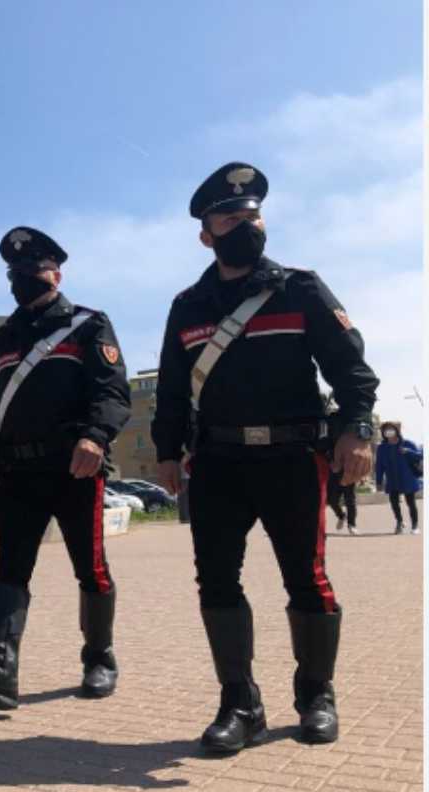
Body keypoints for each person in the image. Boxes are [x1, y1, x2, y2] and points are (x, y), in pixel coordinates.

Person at [152, 163, 378, 753]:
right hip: (219, 463)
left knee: (307, 578)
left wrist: (357, 428)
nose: (243, 224)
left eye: (251, 215)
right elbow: (173, 390)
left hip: (293, 460)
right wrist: (165, 453)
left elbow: (351, 369)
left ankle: (316, 696)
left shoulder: (300, 289)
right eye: (229, 217)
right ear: (206, 233)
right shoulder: (187, 306)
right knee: (218, 581)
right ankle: (241, 704)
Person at [0, 226, 131, 710]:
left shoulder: (88, 324)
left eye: (34, 269)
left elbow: (112, 392)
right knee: (9, 570)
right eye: (16, 272)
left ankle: (99, 658)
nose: (24, 278)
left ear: (56, 272)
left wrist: (96, 436)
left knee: (90, 569)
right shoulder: (4, 337)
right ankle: (1, 671)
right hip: (17, 476)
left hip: (75, 469)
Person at [375, 421, 422, 534]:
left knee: (410, 502)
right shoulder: (382, 447)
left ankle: (415, 526)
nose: (388, 431)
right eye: (386, 430)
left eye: (391, 429)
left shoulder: (408, 444)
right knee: (394, 502)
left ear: (397, 431)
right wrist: (379, 481)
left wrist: (408, 452)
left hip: (407, 478)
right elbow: (379, 465)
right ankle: (399, 522)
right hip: (392, 479)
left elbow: (421, 455)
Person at [326, 467, 357, 535]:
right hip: (334, 475)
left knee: (350, 501)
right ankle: (341, 516)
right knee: (331, 500)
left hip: (349, 474)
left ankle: (352, 524)